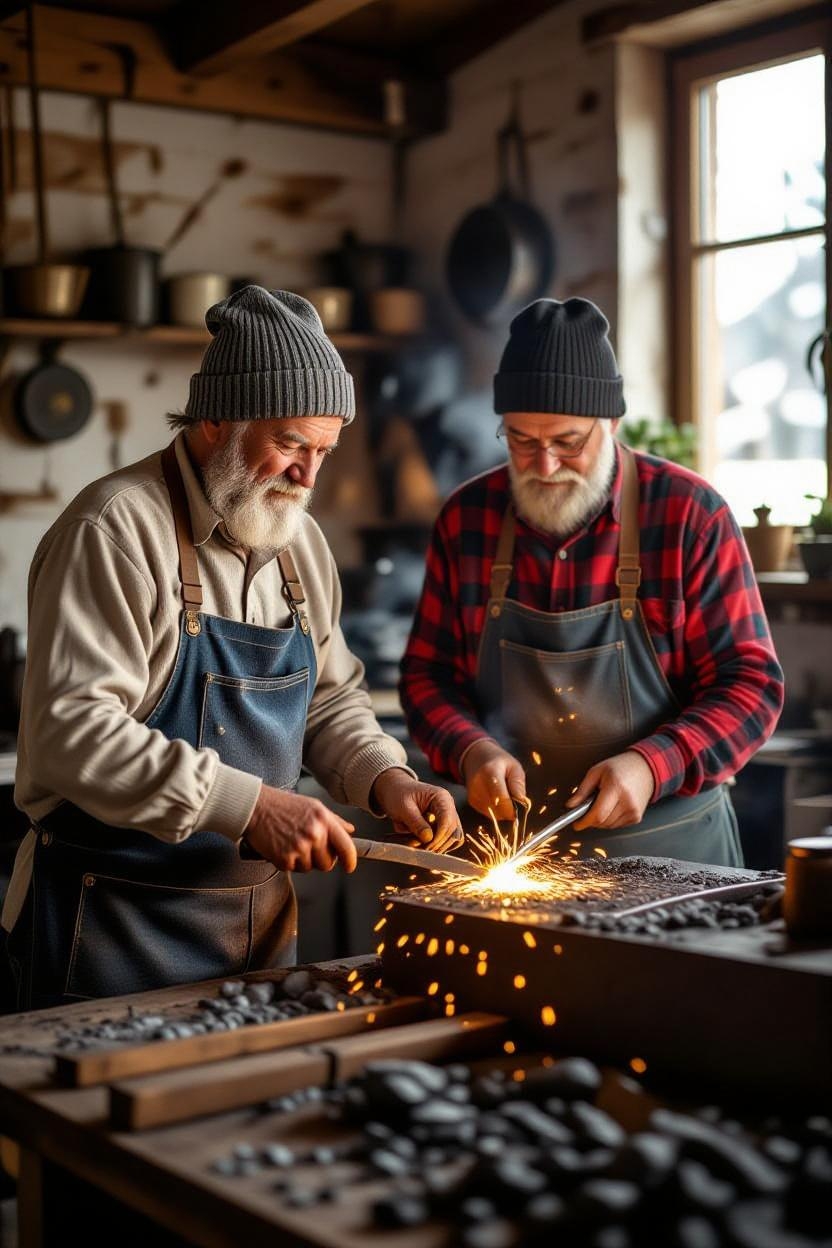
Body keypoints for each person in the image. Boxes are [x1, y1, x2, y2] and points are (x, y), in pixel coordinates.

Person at [4, 287, 460, 1010]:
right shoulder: (115, 530)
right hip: (105, 927)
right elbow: (73, 733)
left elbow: (330, 699)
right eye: (291, 444)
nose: (309, 477)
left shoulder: (298, 541)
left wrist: (385, 777)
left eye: (324, 451)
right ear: (216, 419)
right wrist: (250, 808)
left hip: (255, 934)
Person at [400, 297, 784, 866]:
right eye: (522, 441)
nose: (545, 465)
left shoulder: (689, 515)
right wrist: (469, 749)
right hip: (514, 853)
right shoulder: (467, 519)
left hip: (674, 848)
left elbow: (751, 687)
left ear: (612, 423)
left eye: (568, 441)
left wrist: (653, 764)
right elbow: (427, 676)